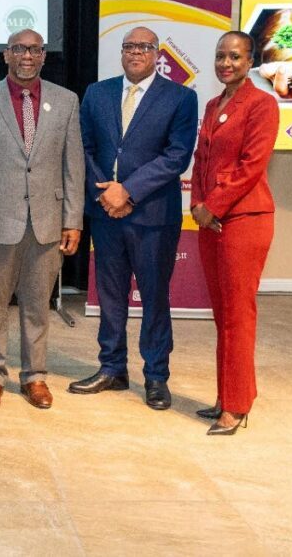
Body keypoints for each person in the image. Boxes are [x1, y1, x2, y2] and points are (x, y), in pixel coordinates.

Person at [0, 29, 84, 411]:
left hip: (47, 221)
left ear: (44, 55)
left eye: (34, 49)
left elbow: (73, 165)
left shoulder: (66, 101)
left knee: (36, 306)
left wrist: (72, 219)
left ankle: (35, 377)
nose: (27, 55)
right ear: (5, 55)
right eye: (19, 49)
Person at [70, 26, 198, 410]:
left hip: (153, 218)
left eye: (143, 47)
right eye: (129, 46)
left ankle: (156, 377)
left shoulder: (180, 98)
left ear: (157, 54)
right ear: (122, 53)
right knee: (110, 298)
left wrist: (128, 190)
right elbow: (84, 147)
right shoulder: (98, 93)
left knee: (154, 299)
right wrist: (105, 191)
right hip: (106, 214)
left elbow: (177, 156)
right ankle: (112, 368)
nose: (135, 52)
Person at [191, 31, 278, 435]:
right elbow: (202, 158)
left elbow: (251, 166)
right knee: (224, 315)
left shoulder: (262, 104)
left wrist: (213, 206)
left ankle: (237, 406)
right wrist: (197, 205)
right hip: (211, 220)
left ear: (250, 61)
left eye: (235, 57)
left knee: (238, 317)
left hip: (244, 220)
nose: (226, 63)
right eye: (221, 56)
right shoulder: (213, 105)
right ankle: (229, 395)